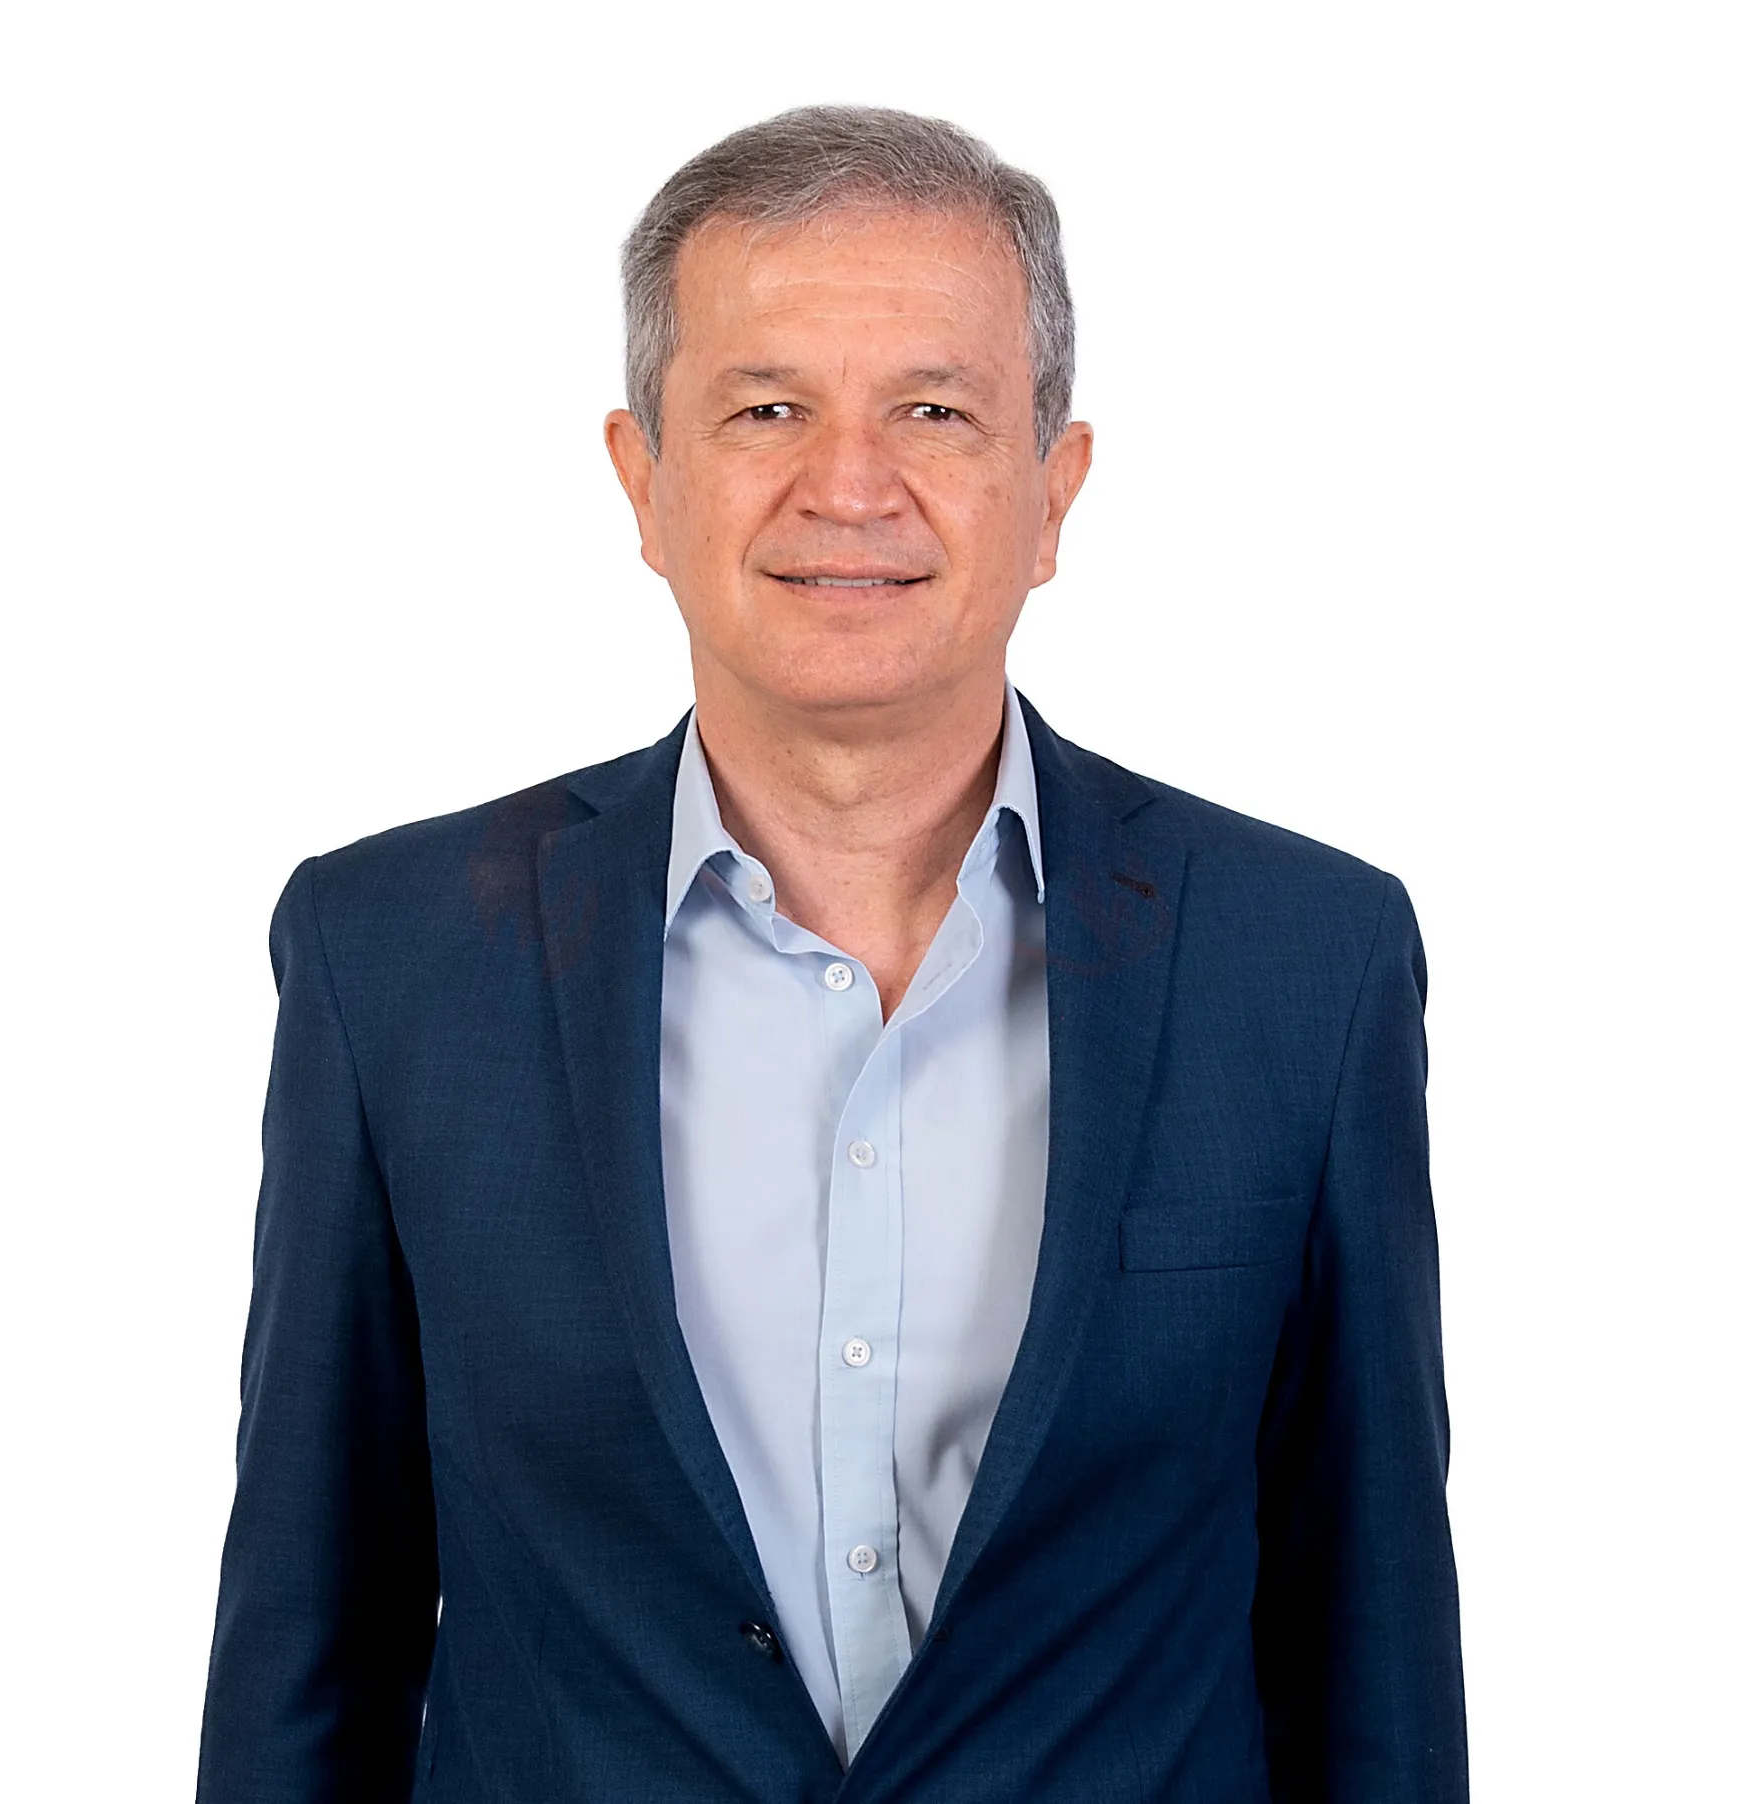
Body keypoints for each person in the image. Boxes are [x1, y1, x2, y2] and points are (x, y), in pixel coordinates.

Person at [196, 105, 1468, 1803]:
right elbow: (310, 1653)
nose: (849, 486)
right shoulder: (394, 960)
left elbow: (1373, 1653)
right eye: (766, 409)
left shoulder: (1303, 961)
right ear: (645, 482)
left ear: (1054, 490)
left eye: (934, 411)